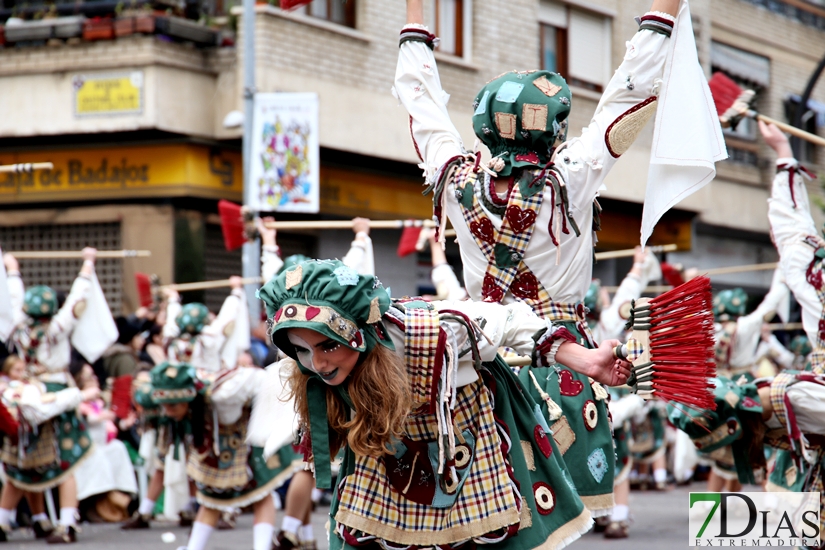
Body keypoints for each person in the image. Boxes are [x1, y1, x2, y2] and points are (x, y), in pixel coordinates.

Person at [396, 0, 682, 517]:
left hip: (479, 372)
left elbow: (420, 104)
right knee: (557, 527)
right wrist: (664, 14)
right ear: (550, 127)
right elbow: (631, 91)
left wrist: (415, 22)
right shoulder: (570, 177)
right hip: (562, 376)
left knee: (491, 520)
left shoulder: (454, 178)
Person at [255, 259, 632, 549]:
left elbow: (510, 320)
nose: (317, 363)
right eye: (303, 350)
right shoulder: (315, 374)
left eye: (328, 345)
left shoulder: (435, 330)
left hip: (463, 444)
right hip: (387, 455)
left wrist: (586, 361)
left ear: (358, 335)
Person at [2, 248, 110, 544]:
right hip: (55, 391)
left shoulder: (16, 328)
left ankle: (5, 520)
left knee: (22, 457)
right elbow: (78, 299)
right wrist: (88, 264)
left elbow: (11, 301)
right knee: (64, 461)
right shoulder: (58, 327)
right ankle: (67, 523)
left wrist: (12, 270)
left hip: (27, 391)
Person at [71, 364, 138, 522]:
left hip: (102, 443)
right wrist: (110, 414)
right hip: (84, 446)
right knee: (97, 457)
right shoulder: (79, 404)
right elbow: (93, 419)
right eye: (89, 378)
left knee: (118, 448)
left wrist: (124, 421)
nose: (94, 380)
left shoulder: (98, 403)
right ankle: (96, 500)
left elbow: (110, 426)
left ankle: (122, 491)